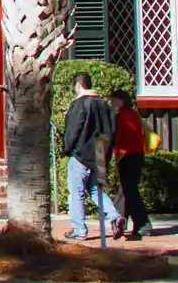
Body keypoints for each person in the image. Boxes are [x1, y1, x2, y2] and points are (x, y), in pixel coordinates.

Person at [59, 71, 121, 240]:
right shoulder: (105, 105)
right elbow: (112, 130)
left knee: (76, 192)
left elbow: (74, 130)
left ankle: (79, 230)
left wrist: (66, 149)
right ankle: (115, 216)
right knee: (96, 190)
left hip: (82, 153)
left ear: (78, 86)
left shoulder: (79, 105)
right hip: (100, 152)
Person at [108, 91, 152, 240]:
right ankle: (123, 221)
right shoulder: (134, 114)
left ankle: (135, 222)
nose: (111, 103)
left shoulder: (121, 116)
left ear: (121, 101)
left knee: (128, 190)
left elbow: (117, 137)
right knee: (127, 189)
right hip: (137, 154)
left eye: (113, 100)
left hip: (125, 154)